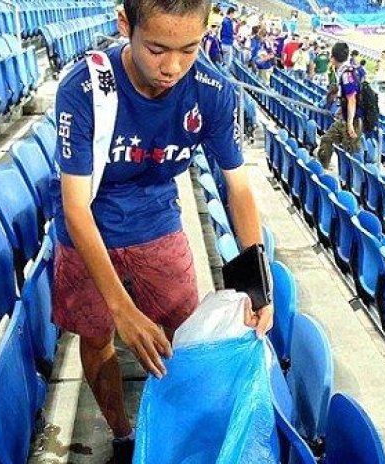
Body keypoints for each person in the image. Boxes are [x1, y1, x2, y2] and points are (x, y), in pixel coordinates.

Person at [51, 0, 274, 461]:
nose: (172, 66)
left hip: (157, 220)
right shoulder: (85, 87)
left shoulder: (212, 90)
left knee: (183, 334)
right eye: (156, 49)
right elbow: (76, 208)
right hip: (91, 227)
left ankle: (179, 436)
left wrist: (257, 289)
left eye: (188, 49)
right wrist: (123, 309)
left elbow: (238, 189)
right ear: (124, 24)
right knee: (97, 339)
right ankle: (121, 434)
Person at [313, 42, 361, 170]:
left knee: (350, 153)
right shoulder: (344, 71)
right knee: (326, 140)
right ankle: (323, 169)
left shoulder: (346, 74)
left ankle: (350, 182)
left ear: (333, 58)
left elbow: (352, 100)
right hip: (345, 116)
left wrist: (350, 123)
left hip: (352, 119)